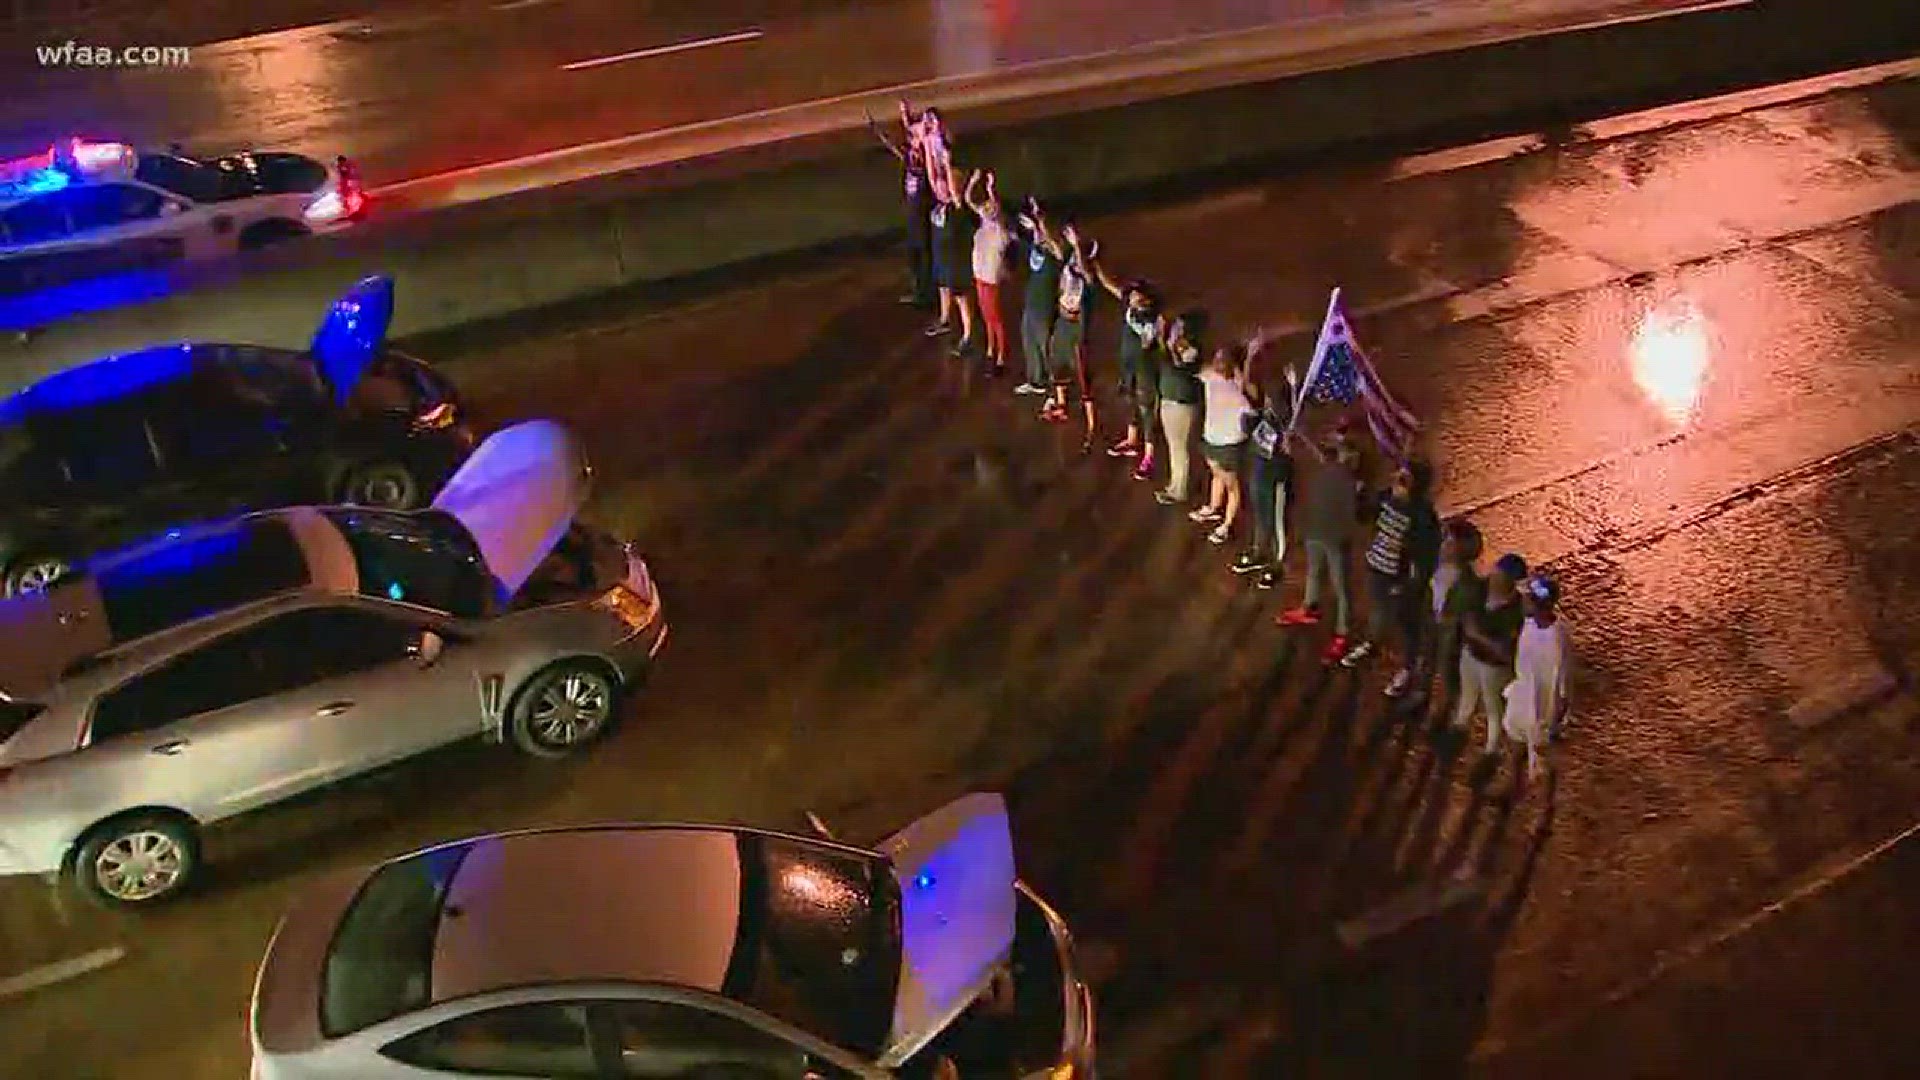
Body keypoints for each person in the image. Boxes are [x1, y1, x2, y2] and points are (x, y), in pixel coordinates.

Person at [1343, 459, 1441, 669]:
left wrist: (1409, 583)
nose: (1397, 480)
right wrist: (1359, 495)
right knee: (1378, 610)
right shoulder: (1387, 497)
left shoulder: (1422, 516)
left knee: (1406, 622)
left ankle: (1410, 665)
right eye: (1399, 475)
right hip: (1377, 567)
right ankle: (1373, 642)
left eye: (1404, 478)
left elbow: (1426, 557)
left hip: (1399, 578)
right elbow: (1364, 517)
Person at [1277, 439, 1365, 663]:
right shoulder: (1349, 482)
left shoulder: (1325, 474)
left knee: (1325, 578)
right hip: (1328, 536)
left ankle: (1339, 628)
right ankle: (1320, 615)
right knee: (1337, 584)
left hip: (1319, 533)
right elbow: (1357, 515)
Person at [1394, 519, 1484, 710]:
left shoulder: (1469, 584)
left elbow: (1468, 614)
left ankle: (1447, 707)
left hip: (1450, 632)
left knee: (1446, 669)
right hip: (1431, 623)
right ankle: (1422, 694)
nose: (1442, 545)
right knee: (1426, 659)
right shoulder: (1436, 567)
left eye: (1448, 542)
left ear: (1460, 550)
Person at [1233, 334, 1298, 589]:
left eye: (1274, 401)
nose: (1269, 403)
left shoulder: (1285, 428)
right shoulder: (1259, 416)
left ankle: (1276, 563)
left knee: (1278, 522)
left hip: (1277, 479)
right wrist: (1250, 354)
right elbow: (1245, 384)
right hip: (1258, 474)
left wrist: (1294, 390)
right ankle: (1259, 552)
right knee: (1260, 517)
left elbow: (1294, 421)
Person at [1456, 552, 1528, 768]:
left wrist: (1478, 636)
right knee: (1467, 698)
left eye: (1502, 575)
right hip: (1470, 655)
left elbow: (1505, 651)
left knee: (1493, 708)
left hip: (1493, 668)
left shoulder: (1516, 610)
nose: (1495, 578)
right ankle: (1458, 732)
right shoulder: (1481, 588)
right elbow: (1466, 616)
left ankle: (1492, 748)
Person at [1091, 264, 1162, 481]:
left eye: (1135, 295)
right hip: (1128, 367)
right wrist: (1096, 266)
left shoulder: (1152, 319)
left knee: (1146, 409)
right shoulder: (1131, 307)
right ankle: (1132, 441)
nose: (1130, 298)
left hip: (1145, 372)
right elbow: (1110, 286)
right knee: (1129, 403)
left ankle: (1149, 456)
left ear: (1145, 300)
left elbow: (1149, 341)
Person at [1502, 572, 1573, 787]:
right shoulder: (1529, 624)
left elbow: (1562, 684)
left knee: (1541, 765)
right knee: (1515, 746)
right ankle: (1512, 786)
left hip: (1543, 711)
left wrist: (1554, 722)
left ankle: (1545, 807)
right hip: (1522, 700)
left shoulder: (1557, 640)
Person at [918, 109, 975, 351]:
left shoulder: (958, 207)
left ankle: (968, 335)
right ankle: (944, 320)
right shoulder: (939, 207)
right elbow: (932, 175)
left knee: (961, 297)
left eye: (944, 187)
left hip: (957, 261)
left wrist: (947, 163)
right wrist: (927, 146)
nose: (939, 188)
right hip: (943, 259)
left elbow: (948, 182)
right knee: (943, 288)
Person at [1044, 224, 1100, 448]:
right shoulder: (1069, 261)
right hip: (1063, 322)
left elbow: (1087, 274)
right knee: (1056, 361)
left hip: (1077, 326)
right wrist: (1041, 223)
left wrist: (1077, 246)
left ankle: (1092, 426)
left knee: (1083, 375)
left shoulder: (1089, 274)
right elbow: (1055, 246)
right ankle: (1061, 405)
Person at [877, 100, 935, 308]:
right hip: (912, 219)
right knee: (914, 257)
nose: (912, 149)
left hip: (923, 220)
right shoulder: (910, 162)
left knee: (925, 257)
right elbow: (906, 139)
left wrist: (920, 130)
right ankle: (919, 291)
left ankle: (928, 294)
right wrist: (904, 114)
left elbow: (920, 141)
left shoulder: (928, 169)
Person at [1193, 344, 1253, 545]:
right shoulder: (1235, 391)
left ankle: (1219, 517)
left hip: (1218, 444)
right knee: (1225, 482)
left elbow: (1201, 370)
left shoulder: (1213, 380)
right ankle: (1218, 516)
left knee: (1224, 481)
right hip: (1221, 444)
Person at [1153, 308, 1207, 506]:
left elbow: (1177, 365)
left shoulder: (1192, 350)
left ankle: (1180, 490)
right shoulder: (1176, 347)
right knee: (1173, 447)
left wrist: (1165, 342)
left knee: (1180, 448)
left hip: (1181, 404)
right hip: (1170, 400)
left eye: (1180, 326)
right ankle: (1174, 485)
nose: (1175, 329)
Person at [963, 169, 1013, 374]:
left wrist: (991, 189)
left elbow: (996, 212)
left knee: (995, 317)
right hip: (980, 275)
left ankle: (1001, 356)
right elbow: (968, 200)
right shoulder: (984, 225)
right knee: (986, 316)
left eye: (990, 206)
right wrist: (974, 182)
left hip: (990, 278)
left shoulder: (1000, 231)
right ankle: (991, 350)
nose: (986, 208)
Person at [1013, 200, 1063, 397]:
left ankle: (1056, 386)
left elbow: (1055, 247)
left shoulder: (1056, 250)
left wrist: (1041, 224)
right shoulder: (1036, 245)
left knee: (1045, 345)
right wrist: (1034, 220)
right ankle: (1036, 380)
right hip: (1031, 302)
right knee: (1029, 341)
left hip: (1045, 304)